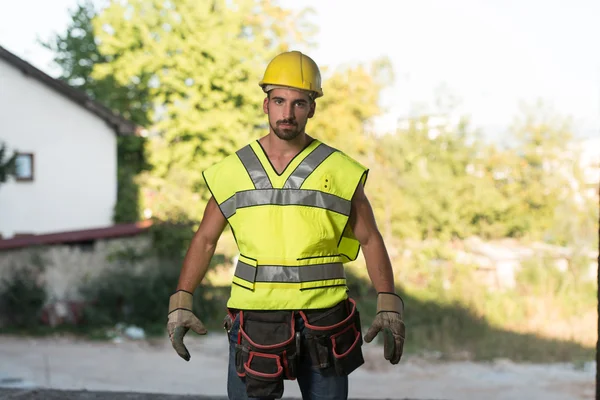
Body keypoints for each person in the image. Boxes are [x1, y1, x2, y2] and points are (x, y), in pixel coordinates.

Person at [166, 50, 406, 400]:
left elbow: (370, 239)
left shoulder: (340, 171)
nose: (287, 112)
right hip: (255, 319)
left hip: (325, 319)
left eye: (299, 102)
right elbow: (205, 239)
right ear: (265, 105)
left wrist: (389, 303)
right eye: (279, 100)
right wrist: (181, 300)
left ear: (312, 108)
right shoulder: (232, 171)